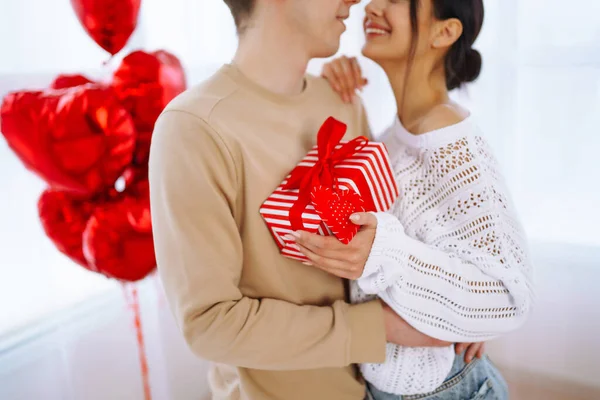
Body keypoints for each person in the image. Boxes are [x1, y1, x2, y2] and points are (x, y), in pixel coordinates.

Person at [149, 1, 480, 399]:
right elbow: (210, 325)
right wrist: (384, 327)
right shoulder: (193, 128)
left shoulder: (341, 100)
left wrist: (462, 309)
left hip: (381, 389)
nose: (356, 2)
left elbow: (392, 237)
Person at [289, 0, 535, 398]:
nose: (372, 5)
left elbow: (510, 296)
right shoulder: (393, 137)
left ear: (445, 32)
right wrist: (328, 86)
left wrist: (385, 252)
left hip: (447, 388)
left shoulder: (449, 138)